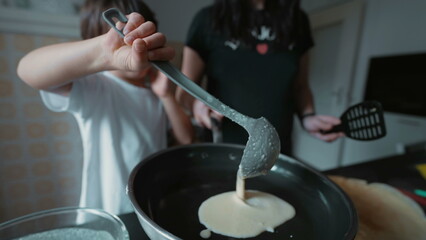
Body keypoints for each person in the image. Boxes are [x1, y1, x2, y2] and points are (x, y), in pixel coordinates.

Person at [17, 0, 194, 215]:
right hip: (110, 210)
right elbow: (27, 70)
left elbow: (186, 139)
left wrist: (166, 96)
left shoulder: (155, 92)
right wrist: (104, 53)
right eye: (122, 39)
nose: (134, 47)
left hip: (150, 204)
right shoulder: (97, 87)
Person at [177, 0, 343, 156]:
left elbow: (300, 86)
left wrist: (308, 117)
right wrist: (196, 105)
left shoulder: (297, 20)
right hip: (223, 149)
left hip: (278, 151)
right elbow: (184, 93)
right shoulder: (208, 19)